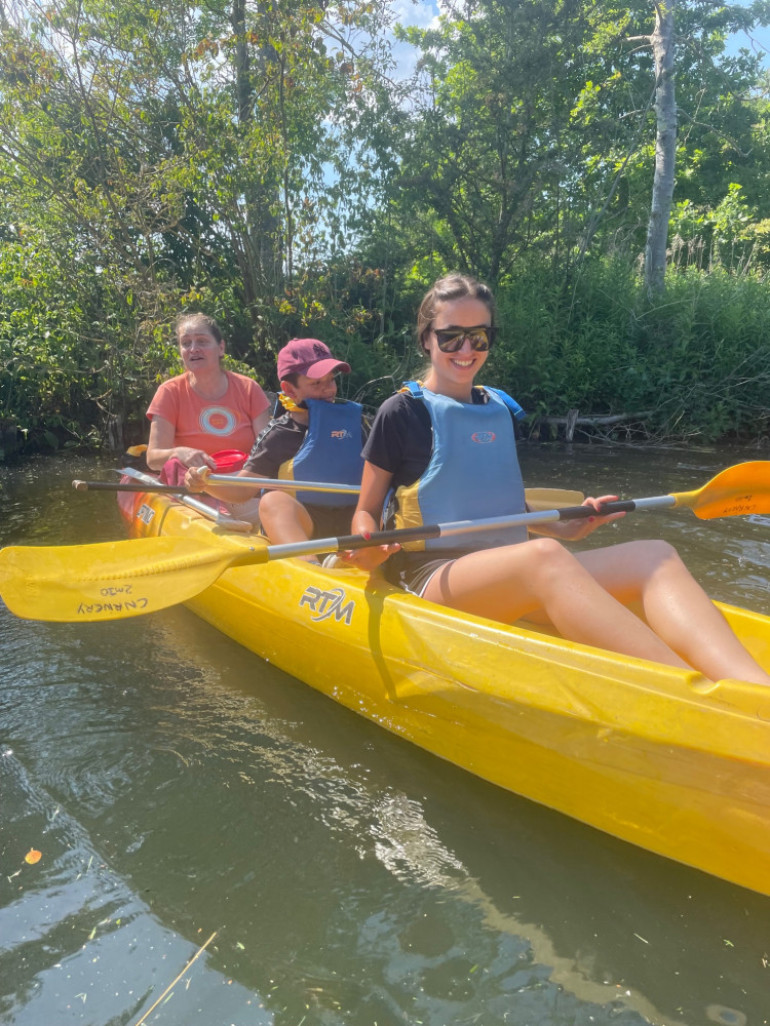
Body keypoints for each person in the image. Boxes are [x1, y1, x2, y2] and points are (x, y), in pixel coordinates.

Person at [347, 273, 770, 685]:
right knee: (543, 557)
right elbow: (366, 510)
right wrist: (368, 545)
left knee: (653, 556)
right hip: (431, 576)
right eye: (450, 335)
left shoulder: (497, 409)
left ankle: (752, 690)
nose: (465, 348)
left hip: (512, 568)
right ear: (426, 337)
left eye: (479, 337)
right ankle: (695, 697)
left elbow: (495, 503)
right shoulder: (400, 413)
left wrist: (564, 525)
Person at [186, 338, 365, 561]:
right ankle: (309, 568)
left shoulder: (355, 425)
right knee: (273, 502)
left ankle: (365, 564)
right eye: (316, 383)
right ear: (290, 389)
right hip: (303, 525)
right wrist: (206, 483)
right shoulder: (280, 434)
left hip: (351, 523)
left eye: (331, 380)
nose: (328, 389)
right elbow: (242, 491)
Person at [146, 313, 271, 473]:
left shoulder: (249, 389)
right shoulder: (169, 392)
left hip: (241, 483)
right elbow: (153, 459)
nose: (193, 349)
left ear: (221, 348)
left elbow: (267, 451)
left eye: (202, 341)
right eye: (185, 343)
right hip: (191, 485)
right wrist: (178, 452)